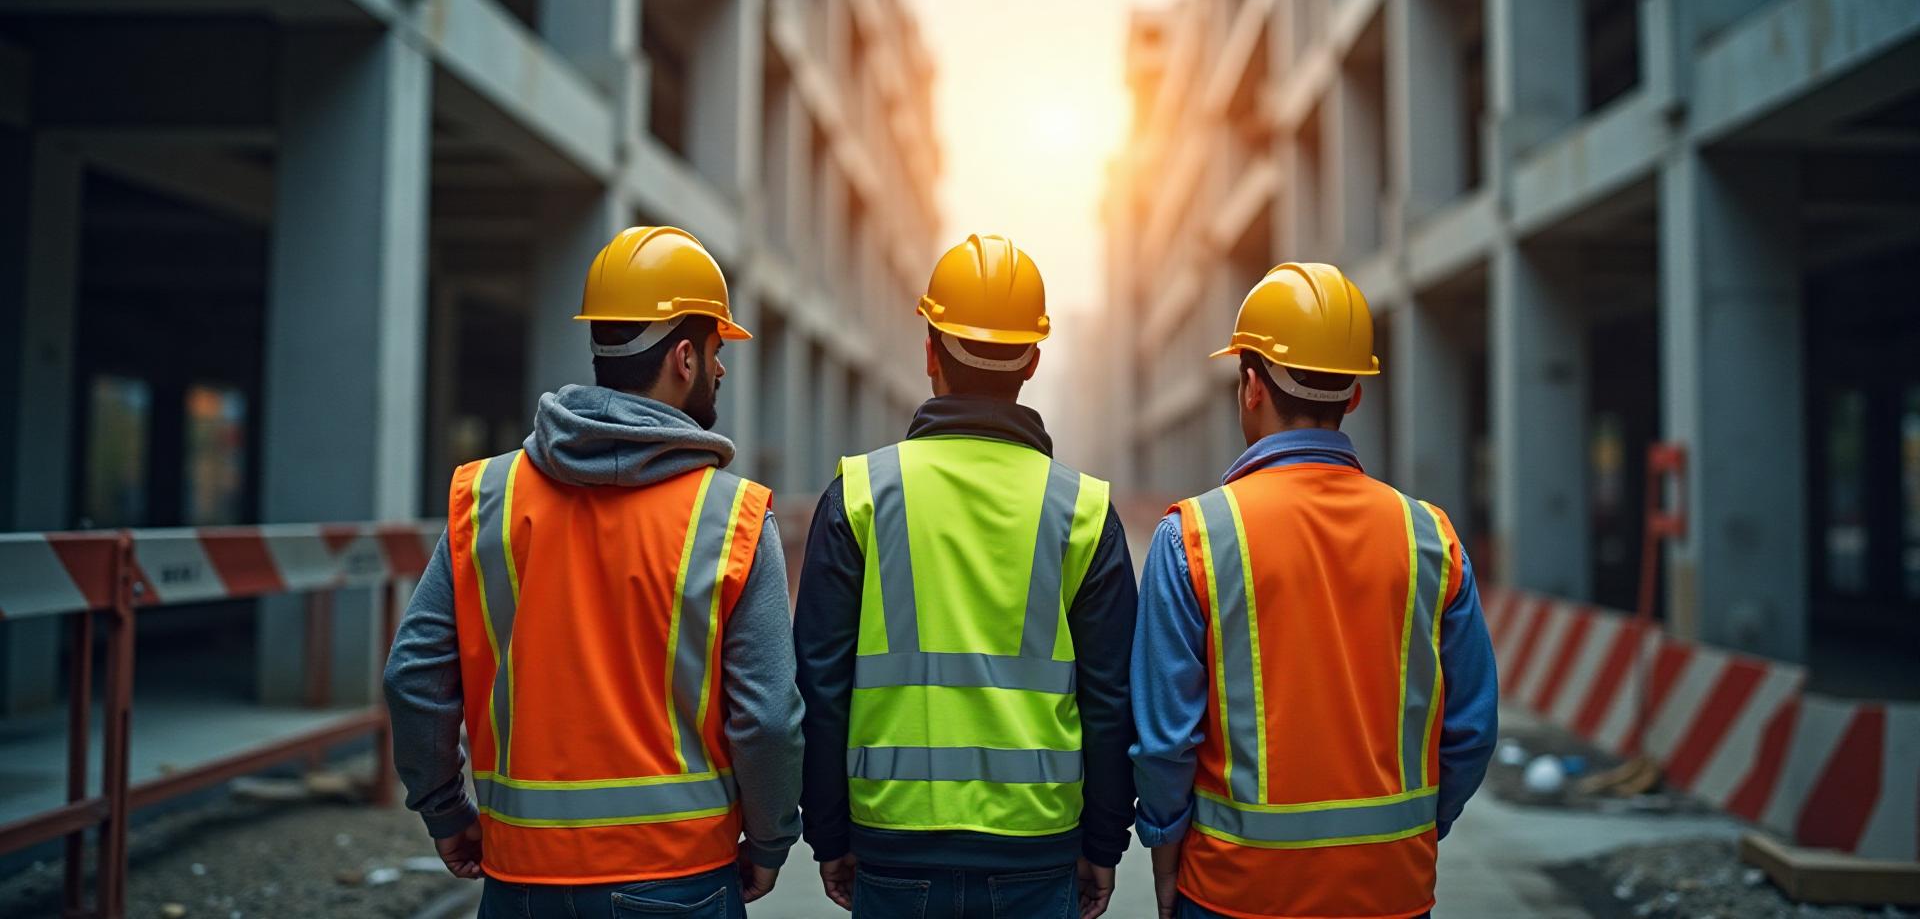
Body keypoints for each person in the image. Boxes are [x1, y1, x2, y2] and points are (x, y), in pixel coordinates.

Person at [384, 226, 804, 918]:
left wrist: (445, 809)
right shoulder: (731, 518)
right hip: (680, 877)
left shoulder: (488, 498)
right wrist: (769, 838)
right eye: (717, 350)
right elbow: (766, 719)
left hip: (523, 878)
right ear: (685, 358)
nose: (722, 369)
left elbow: (414, 678)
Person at [1130, 262, 1498, 919]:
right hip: (1392, 889)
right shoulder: (1429, 537)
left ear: (1251, 386)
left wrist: (1164, 849)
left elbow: (1165, 743)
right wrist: (1410, 835)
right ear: (1354, 395)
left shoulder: (1195, 537)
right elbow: (1471, 730)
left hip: (1234, 893)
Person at [793, 234, 1138, 919]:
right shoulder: (1082, 510)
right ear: (1033, 360)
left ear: (930, 352)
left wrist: (829, 833)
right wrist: (1104, 842)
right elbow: (1111, 700)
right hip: (1037, 849)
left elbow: (820, 686)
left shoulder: (861, 494)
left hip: (893, 843)